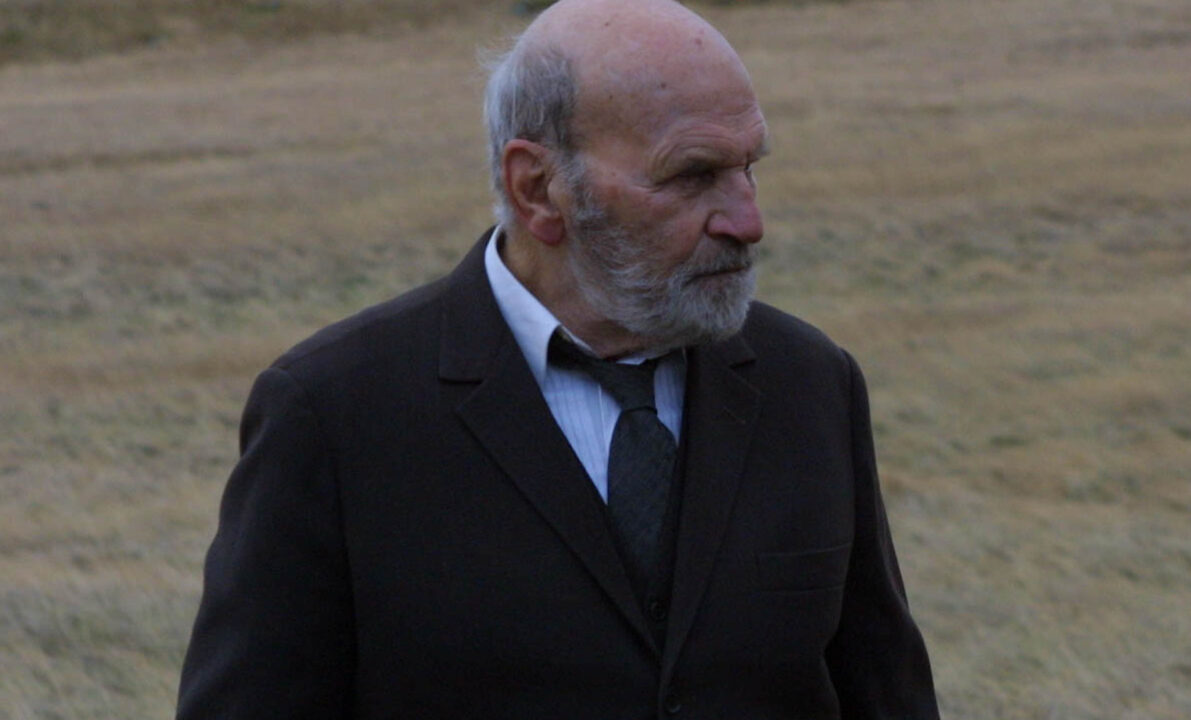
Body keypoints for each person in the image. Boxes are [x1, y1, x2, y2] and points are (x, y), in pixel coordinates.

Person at [176, 0, 940, 717]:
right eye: (693, 176)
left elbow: (884, 693)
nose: (748, 220)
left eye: (750, 167)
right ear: (538, 188)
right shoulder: (336, 413)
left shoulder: (809, 383)